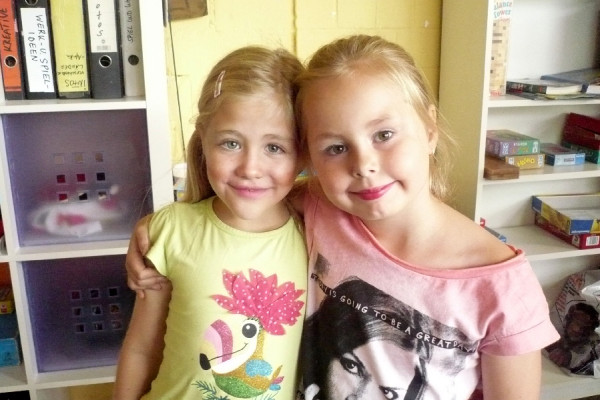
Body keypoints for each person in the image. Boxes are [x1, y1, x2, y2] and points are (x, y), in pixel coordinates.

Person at [126, 35, 560, 400]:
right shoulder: (320, 210)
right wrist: (154, 231)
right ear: (310, 158)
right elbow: (240, 207)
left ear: (429, 129)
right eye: (335, 147)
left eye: (384, 134)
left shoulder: (503, 289)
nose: (364, 165)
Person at [112, 45, 308, 400]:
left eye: (274, 148)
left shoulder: (314, 232)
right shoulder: (171, 231)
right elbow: (141, 349)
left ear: (303, 152)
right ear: (203, 139)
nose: (250, 168)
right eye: (231, 143)